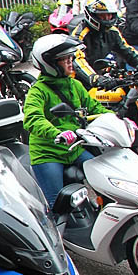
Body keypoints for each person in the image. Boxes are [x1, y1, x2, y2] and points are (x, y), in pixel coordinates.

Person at [23, 34, 112, 207]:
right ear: (50, 64)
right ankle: (55, 231)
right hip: (49, 153)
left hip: (75, 149)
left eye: (71, 58)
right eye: (64, 59)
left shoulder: (75, 85)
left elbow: (95, 108)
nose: (71, 63)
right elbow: (33, 119)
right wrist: (58, 133)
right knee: (57, 204)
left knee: (107, 179)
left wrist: (116, 120)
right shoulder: (38, 91)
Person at [71, 0, 138, 88]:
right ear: (92, 14)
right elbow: (77, 60)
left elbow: (127, 50)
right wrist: (95, 78)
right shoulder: (80, 35)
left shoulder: (113, 31)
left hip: (102, 77)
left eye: (110, 15)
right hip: (79, 81)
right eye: (103, 15)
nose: (107, 19)